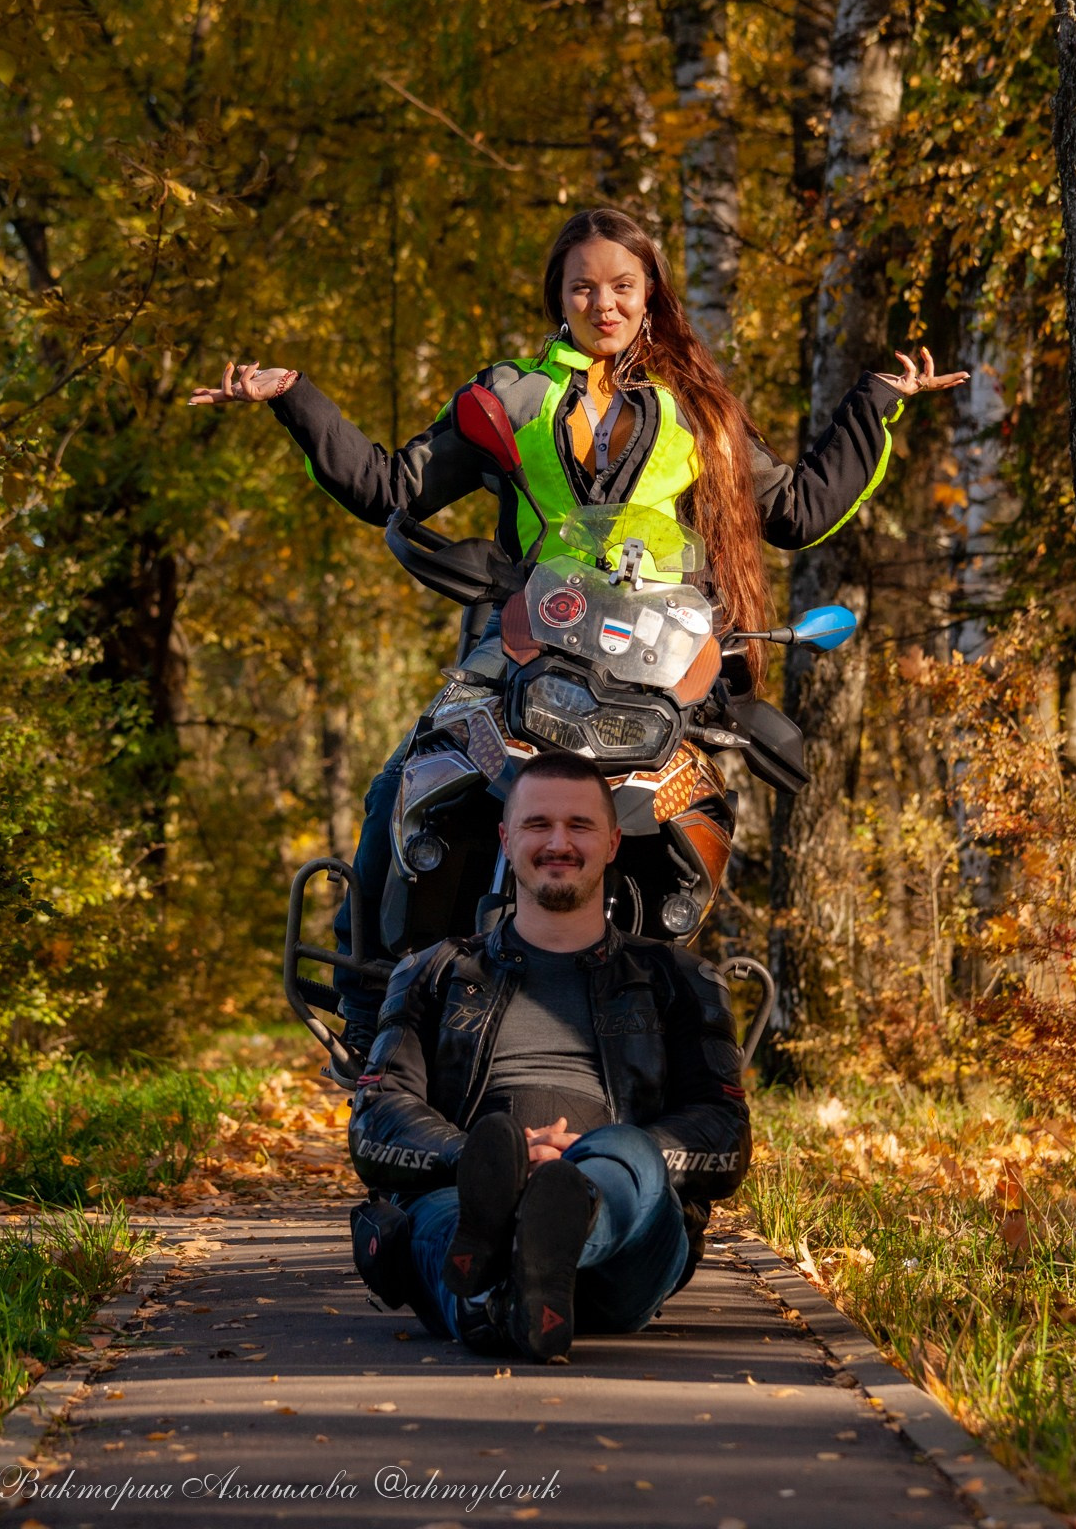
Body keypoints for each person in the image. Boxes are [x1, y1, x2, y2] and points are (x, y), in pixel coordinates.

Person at [189, 207, 968, 1065]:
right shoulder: (508, 396)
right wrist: (294, 397)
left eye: (623, 287)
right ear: (559, 298)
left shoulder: (698, 413)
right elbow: (389, 487)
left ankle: (683, 1025)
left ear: (650, 296)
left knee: (699, 802)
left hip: (656, 661)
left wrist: (876, 404)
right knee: (401, 784)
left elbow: (794, 510)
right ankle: (375, 1011)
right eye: (584, 286)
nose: (605, 303)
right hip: (524, 642)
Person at [344, 749, 751, 1363]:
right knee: (445, 1224)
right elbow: (376, 1117)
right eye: (538, 825)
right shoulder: (434, 971)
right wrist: (484, 1159)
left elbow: (725, 1139)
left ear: (613, 842)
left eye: (579, 826)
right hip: (464, 1192)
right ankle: (507, 1292)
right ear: (506, 840)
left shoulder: (680, 979)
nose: (558, 842)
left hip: (629, 1231)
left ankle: (521, 1259)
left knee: (629, 1152)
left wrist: (583, 1163)